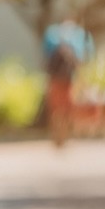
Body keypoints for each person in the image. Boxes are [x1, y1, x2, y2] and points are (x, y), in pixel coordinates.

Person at [42, 18, 94, 147]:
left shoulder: (52, 35)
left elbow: (46, 55)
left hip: (55, 78)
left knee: (56, 108)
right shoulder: (78, 36)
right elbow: (84, 57)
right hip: (69, 78)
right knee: (66, 108)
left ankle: (57, 134)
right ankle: (64, 134)